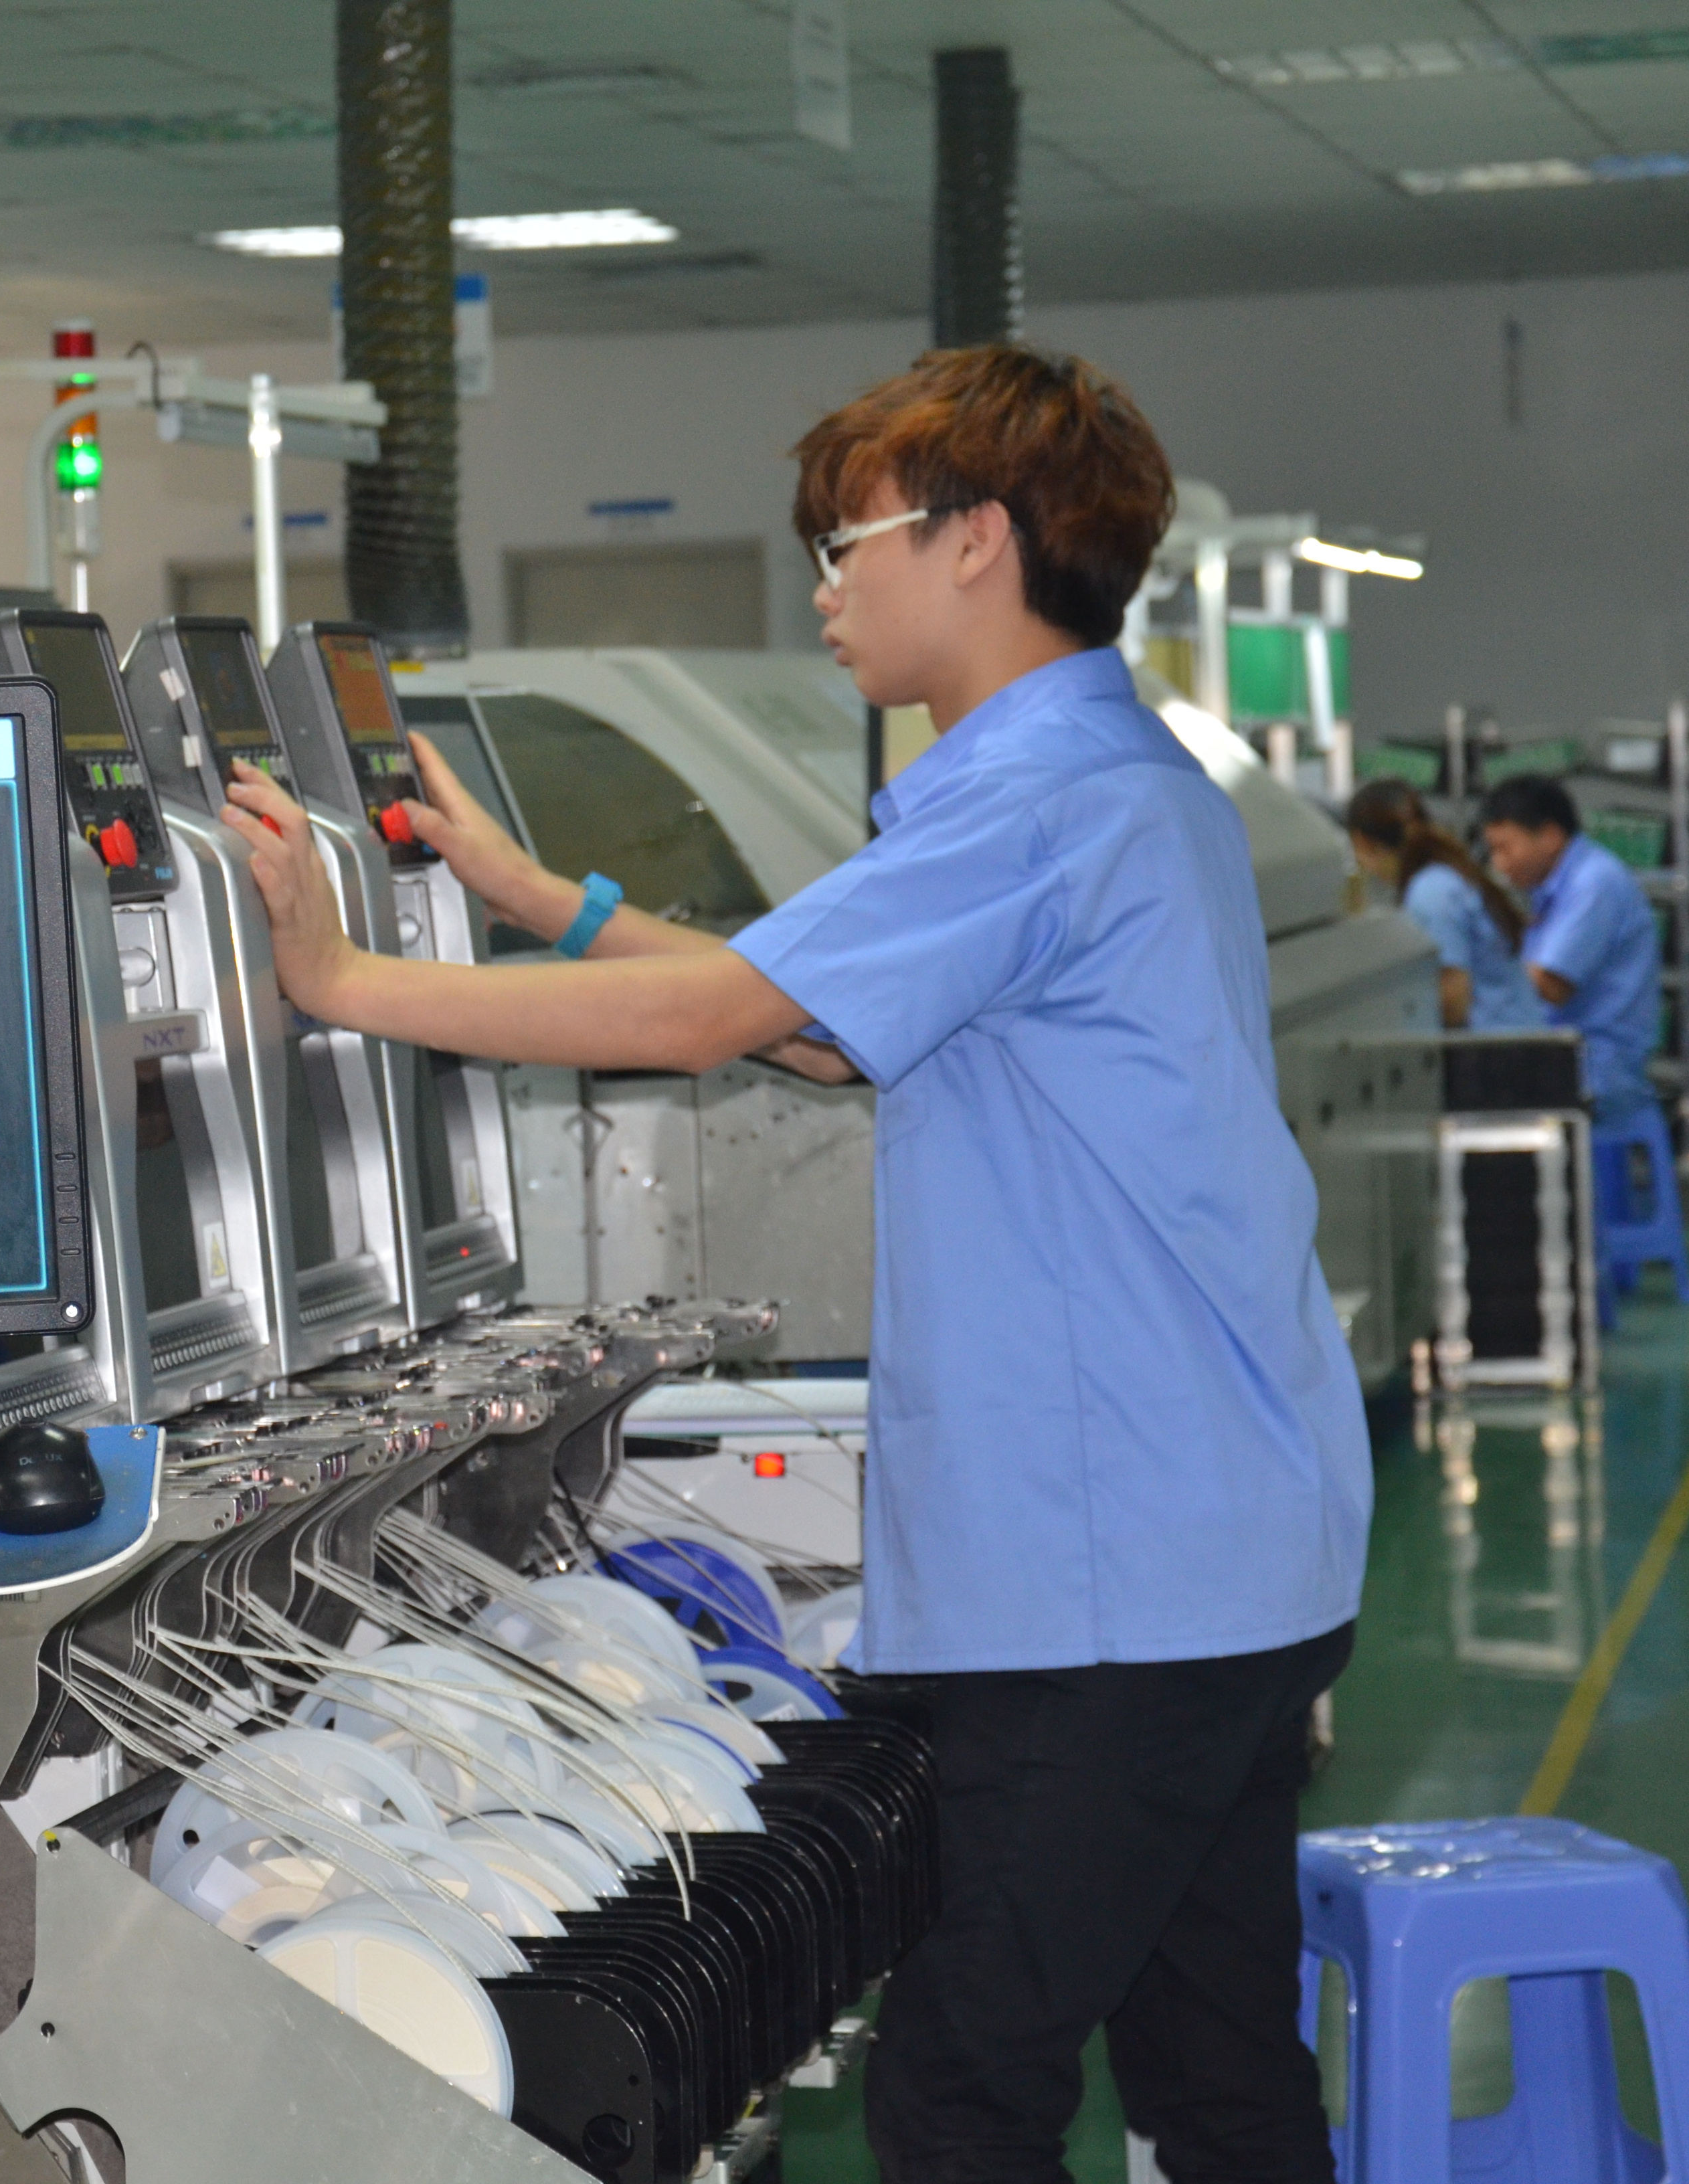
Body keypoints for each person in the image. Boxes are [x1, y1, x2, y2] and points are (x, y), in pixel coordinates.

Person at [217, 345, 1366, 2184]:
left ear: (979, 539)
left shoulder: (1034, 800)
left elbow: (720, 1020)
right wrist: (541, 904)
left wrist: (344, 980)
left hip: (1117, 1583)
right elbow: (821, 1023)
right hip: (1229, 1541)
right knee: (1216, 2067)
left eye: (849, 546)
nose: (826, 590)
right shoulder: (1112, 775)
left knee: (963, 2090)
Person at [1476, 774, 1661, 1121]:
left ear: (1550, 837)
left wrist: (1471, 968)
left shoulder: (1594, 883)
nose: (1499, 864)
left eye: (1505, 848)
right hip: (1566, 1059)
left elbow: (1551, 984)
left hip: (1596, 1071)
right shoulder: (1552, 888)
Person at [1343, 777, 1546, 1032]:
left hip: (1498, 1045)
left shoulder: (1432, 892)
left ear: (1362, 842)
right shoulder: (1445, 877)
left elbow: (1453, 1003)